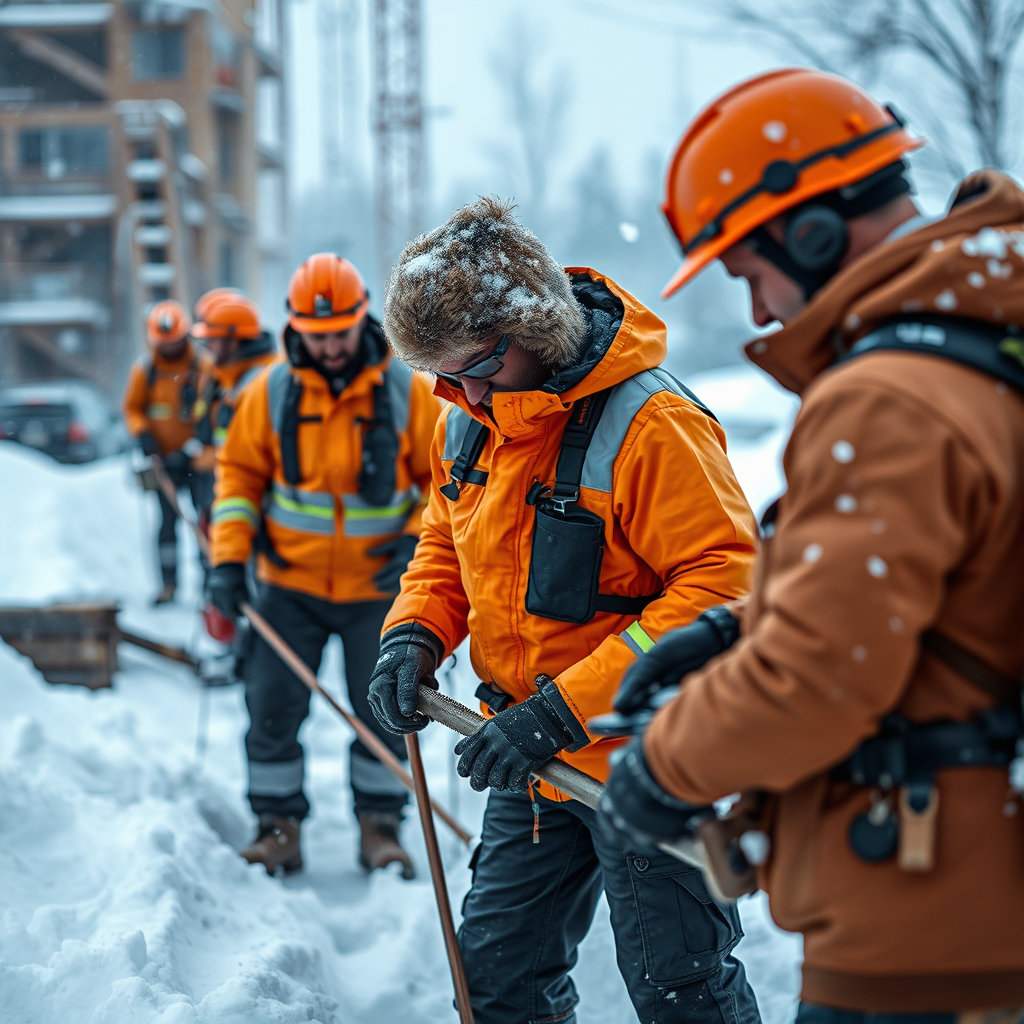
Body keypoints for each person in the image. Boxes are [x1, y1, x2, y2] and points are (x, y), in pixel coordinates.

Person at [600, 68, 1024, 1017]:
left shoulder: (888, 397)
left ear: (813, 230)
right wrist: (736, 630)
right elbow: (953, 586)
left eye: (749, 274)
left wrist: (662, 768)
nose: (757, 315)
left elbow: (819, 677)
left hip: (930, 920)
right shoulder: (985, 344)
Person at [368, 197, 762, 1024]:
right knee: (496, 984)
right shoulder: (469, 422)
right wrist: (414, 633)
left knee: (682, 992)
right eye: (439, 376)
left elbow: (726, 588)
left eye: (472, 366)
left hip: (652, 765)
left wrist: (564, 713)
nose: (457, 392)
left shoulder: (652, 424)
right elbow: (446, 539)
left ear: (532, 329)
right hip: (525, 757)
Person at [206, 254, 440, 878]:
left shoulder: (408, 392)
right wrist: (228, 564)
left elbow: (444, 483)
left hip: (381, 590)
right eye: (318, 334)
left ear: (362, 319)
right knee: (273, 712)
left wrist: (417, 541)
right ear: (295, 328)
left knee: (383, 711)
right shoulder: (270, 393)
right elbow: (237, 483)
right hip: (287, 589)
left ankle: (380, 828)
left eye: (340, 331)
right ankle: (278, 829)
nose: (331, 346)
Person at [123, 299, 209, 605]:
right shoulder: (145, 370)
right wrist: (142, 433)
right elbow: (133, 409)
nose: (170, 348)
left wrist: (190, 450)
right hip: (162, 461)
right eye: (164, 342)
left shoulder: (202, 367)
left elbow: (211, 414)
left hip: (197, 461)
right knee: (167, 525)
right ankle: (169, 584)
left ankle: (209, 584)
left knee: (203, 521)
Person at [189, 289, 278, 525]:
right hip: (226, 494)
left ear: (234, 339)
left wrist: (202, 459)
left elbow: (254, 454)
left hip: (255, 508)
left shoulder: (261, 383)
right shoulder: (227, 377)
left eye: (212, 337)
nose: (205, 345)